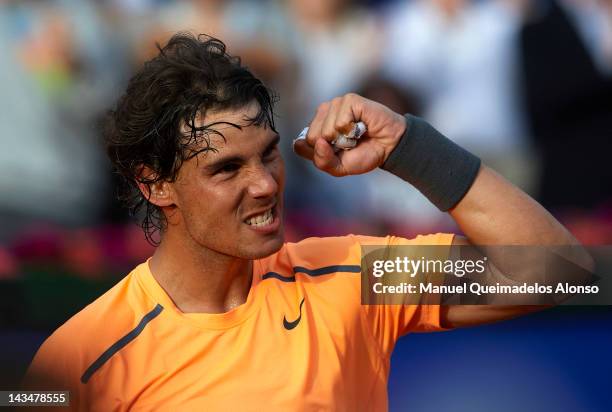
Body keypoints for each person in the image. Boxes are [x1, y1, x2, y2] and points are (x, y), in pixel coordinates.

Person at [24, 33, 587, 411]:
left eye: (268, 154)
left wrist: (411, 147)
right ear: (156, 185)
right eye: (227, 169)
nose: (266, 183)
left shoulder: (347, 279)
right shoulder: (78, 358)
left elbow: (558, 272)